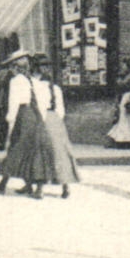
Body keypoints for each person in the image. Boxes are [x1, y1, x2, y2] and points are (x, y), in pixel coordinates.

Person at [0, 49, 47, 195]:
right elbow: (41, 102)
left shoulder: (16, 81)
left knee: (15, 149)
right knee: (30, 151)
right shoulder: (34, 81)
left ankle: (3, 185)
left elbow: (14, 103)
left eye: (11, 67)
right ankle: (25, 185)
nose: (11, 70)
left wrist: (10, 121)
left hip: (23, 116)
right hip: (36, 116)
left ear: (15, 67)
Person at [34, 55, 81, 198]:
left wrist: (42, 120)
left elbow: (39, 107)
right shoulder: (55, 88)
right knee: (60, 152)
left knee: (42, 153)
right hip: (56, 120)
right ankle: (65, 187)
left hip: (44, 118)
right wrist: (56, 120)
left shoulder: (37, 87)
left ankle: (40, 189)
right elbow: (61, 110)